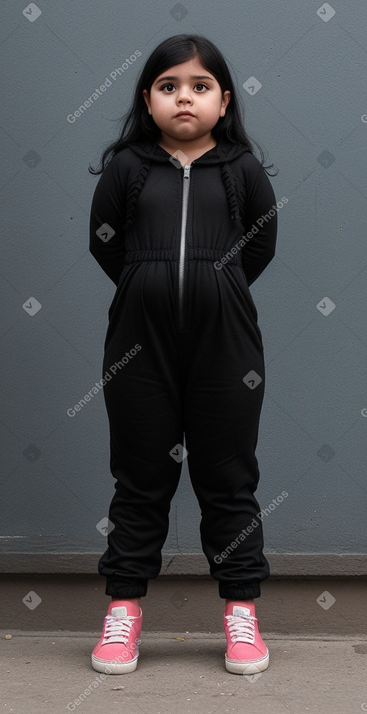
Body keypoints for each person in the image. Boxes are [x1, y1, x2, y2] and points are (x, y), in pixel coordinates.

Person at [88, 33, 278, 676]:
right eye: (169, 87)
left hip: (226, 345)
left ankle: (241, 613)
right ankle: (123, 614)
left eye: (200, 87)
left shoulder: (242, 169)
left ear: (224, 101)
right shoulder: (127, 168)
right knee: (139, 479)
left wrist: (212, 286)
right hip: (138, 345)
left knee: (229, 478)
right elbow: (105, 243)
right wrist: (150, 285)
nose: (185, 98)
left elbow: (259, 249)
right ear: (149, 100)